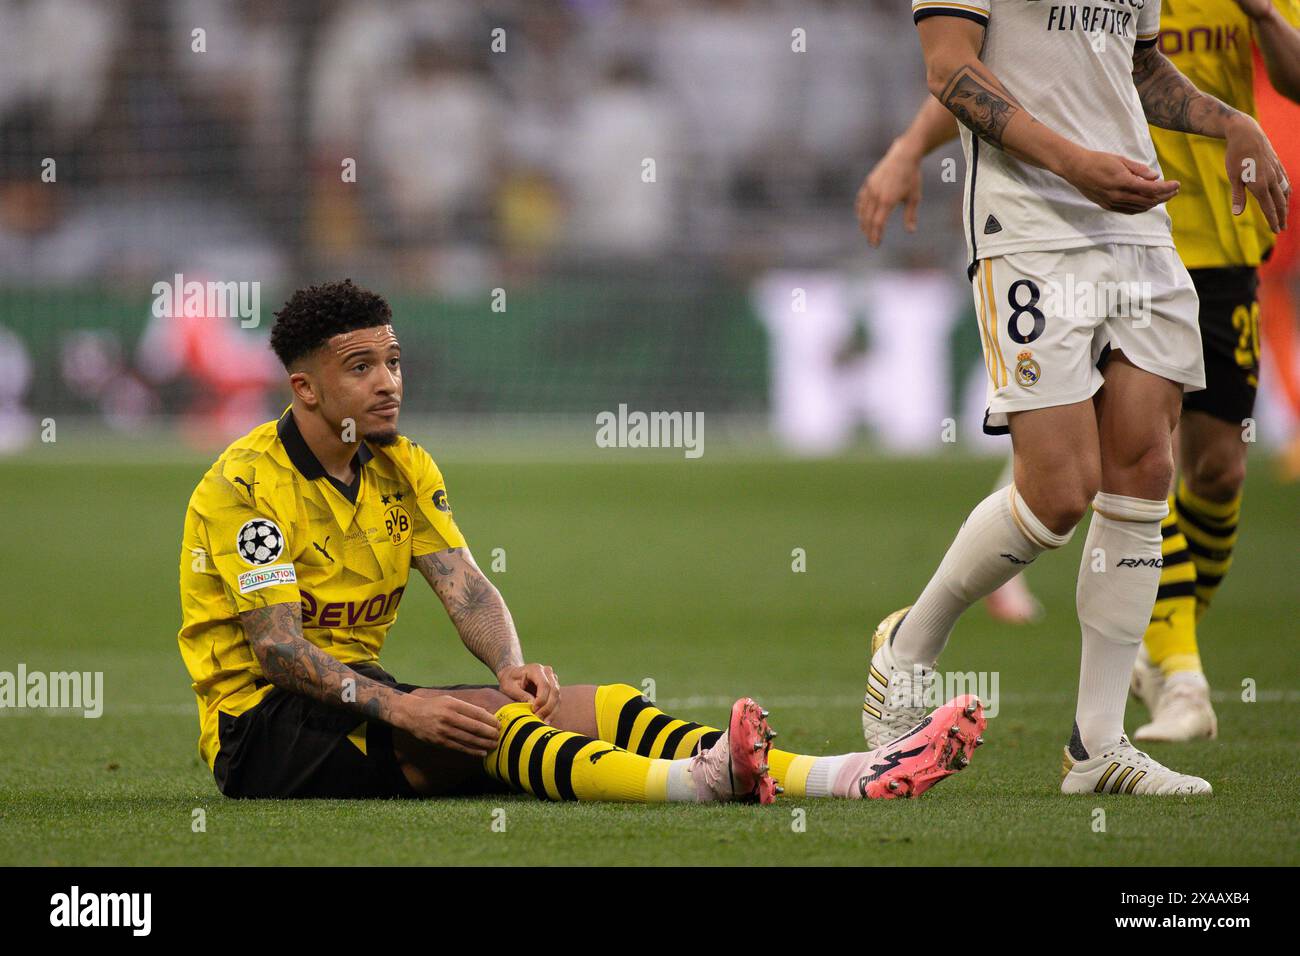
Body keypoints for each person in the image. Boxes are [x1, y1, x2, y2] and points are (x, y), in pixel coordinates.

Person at [177, 279, 986, 803]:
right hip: (263, 730)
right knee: (494, 729)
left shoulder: (401, 465)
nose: (388, 381)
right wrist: (403, 704)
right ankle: (699, 785)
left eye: (393, 360)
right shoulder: (243, 487)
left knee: (586, 705)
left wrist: (508, 664)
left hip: (357, 697)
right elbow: (280, 652)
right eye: (361, 368)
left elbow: (465, 586)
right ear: (306, 388)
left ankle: (841, 774)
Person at [857, 0, 1290, 794]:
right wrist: (1071, 162)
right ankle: (908, 650)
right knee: (1057, 494)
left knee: (1143, 474)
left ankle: (1097, 745)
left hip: (1135, 225)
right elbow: (950, 69)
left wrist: (1231, 122)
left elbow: (1140, 66)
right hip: (1028, 223)